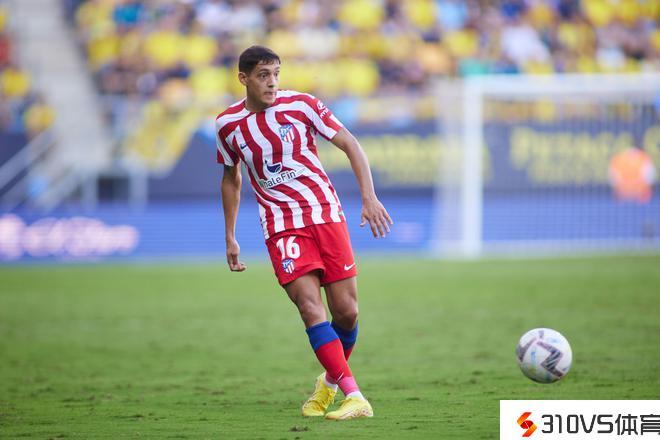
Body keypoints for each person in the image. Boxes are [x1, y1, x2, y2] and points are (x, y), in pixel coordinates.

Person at [216, 45, 393, 420]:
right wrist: (230, 235)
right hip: (281, 225)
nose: (272, 82)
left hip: (325, 213)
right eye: (263, 75)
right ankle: (355, 396)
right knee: (310, 307)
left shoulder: (302, 105)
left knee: (346, 313)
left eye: (276, 74)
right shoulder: (228, 125)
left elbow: (350, 144)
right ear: (243, 78)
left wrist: (369, 197)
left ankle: (328, 384)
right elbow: (231, 178)